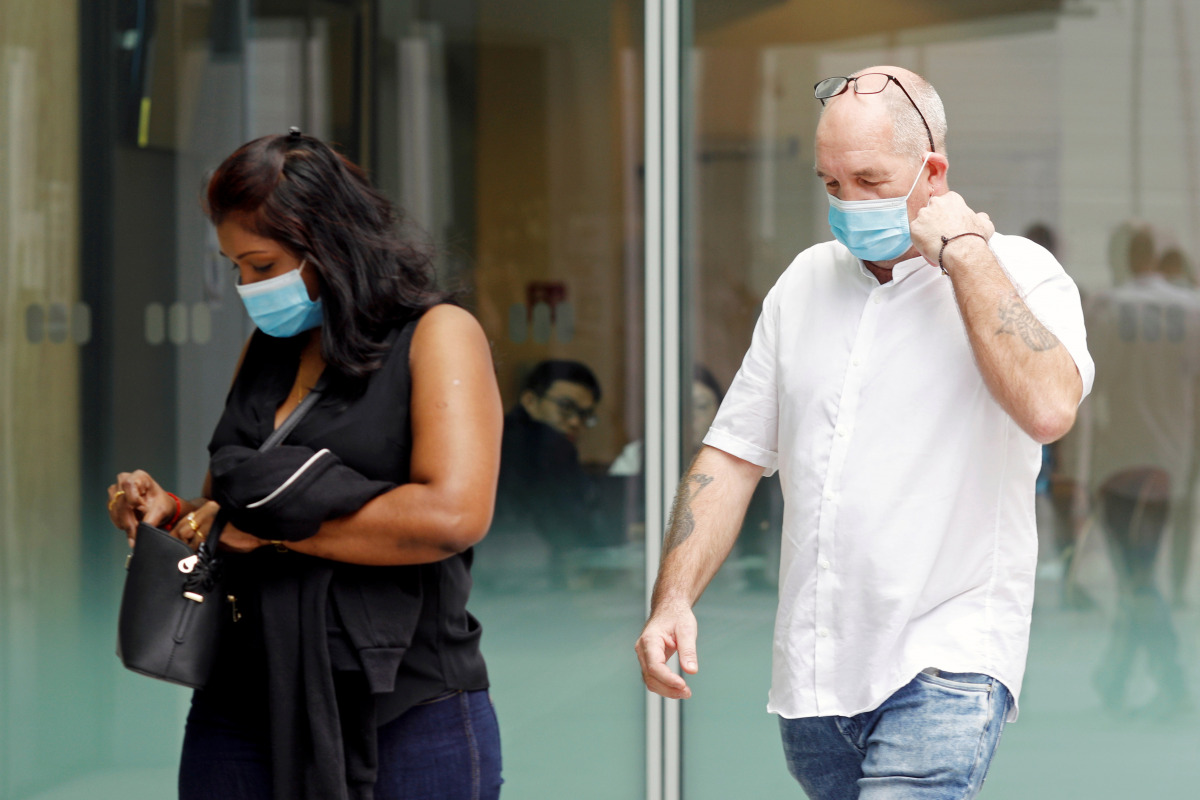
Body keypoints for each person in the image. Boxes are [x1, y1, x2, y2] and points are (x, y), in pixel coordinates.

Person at [635, 67, 1093, 799]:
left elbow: (1049, 408)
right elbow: (733, 454)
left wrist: (965, 255)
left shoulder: (1020, 274)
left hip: (946, 666)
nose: (847, 204)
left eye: (871, 180)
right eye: (831, 184)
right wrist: (673, 598)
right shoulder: (803, 284)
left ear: (932, 171)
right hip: (816, 684)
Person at [105, 129, 503, 800]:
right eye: (236, 268)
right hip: (239, 697)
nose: (247, 288)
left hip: (405, 706)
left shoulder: (436, 336)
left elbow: (452, 516)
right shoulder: (266, 349)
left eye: (261, 267)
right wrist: (169, 513)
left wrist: (278, 530)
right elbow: (227, 510)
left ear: (332, 247)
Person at [1076, 224, 1198, 715]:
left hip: (1120, 460)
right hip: (1170, 460)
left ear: (1123, 256)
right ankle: (1115, 675)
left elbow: (1088, 386)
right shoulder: (1193, 309)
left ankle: (1172, 681)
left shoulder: (1109, 306)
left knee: (1138, 574)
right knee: (1138, 573)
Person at [485, 360, 615, 588]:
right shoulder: (548, 445)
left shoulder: (493, 435)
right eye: (566, 407)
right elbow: (572, 528)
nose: (575, 422)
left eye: (585, 415)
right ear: (530, 401)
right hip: (530, 580)